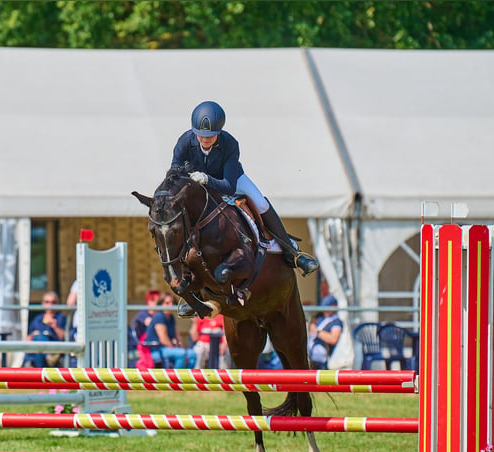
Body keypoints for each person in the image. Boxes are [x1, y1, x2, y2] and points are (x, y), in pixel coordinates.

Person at [171, 100, 319, 279]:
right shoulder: (185, 142)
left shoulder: (230, 144)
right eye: (200, 135)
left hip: (229, 179)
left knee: (261, 203)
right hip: (198, 184)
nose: (204, 139)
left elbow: (229, 186)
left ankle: (293, 253)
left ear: (219, 132)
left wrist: (207, 178)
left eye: (210, 136)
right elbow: (174, 174)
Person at [143, 292, 196, 369]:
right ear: (161, 304)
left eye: (172, 303)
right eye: (167, 303)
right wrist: (176, 348)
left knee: (192, 354)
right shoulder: (159, 317)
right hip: (156, 349)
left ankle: (187, 378)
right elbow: (163, 339)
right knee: (181, 354)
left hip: (167, 348)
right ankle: (176, 379)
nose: (171, 305)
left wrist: (180, 346)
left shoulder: (171, 317)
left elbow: (177, 336)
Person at [22, 291, 67, 368]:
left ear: (57, 304)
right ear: (43, 304)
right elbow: (27, 339)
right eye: (47, 302)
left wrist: (55, 327)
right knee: (38, 339)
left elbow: (66, 337)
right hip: (40, 353)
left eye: (53, 302)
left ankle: (41, 375)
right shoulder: (37, 319)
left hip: (55, 350)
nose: (50, 305)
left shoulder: (61, 318)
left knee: (39, 346)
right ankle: (48, 356)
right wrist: (34, 335)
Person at [307, 294, 344, 370]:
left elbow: (333, 339)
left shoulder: (336, 322)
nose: (325, 311)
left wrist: (316, 331)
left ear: (334, 307)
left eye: (327, 308)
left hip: (321, 357)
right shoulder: (321, 318)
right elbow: (310, 332)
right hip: (309, 351)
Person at [132, 290, 162, 370]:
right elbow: (152, 325)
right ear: (149, 301)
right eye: (157, 302)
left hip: (156, 344)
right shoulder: (143, 314)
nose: (160, 305)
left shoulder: (159, 315)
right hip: (144, 346)